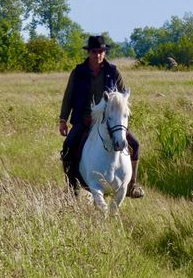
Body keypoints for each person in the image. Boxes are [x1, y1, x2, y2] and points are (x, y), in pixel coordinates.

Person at [59, 35, 145, 198]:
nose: (97, 55)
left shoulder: (113, 72)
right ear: (89, 52)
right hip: (84, 120)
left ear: (104, 52)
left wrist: (121, 120)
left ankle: (132, 185)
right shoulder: (78, 72)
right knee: (68, 145)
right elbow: (68, 97)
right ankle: (72, 189)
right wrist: (63, 120)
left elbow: (122, 99)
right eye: (94, 51)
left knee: (135, 144)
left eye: (100, 51)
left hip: (110, 122)